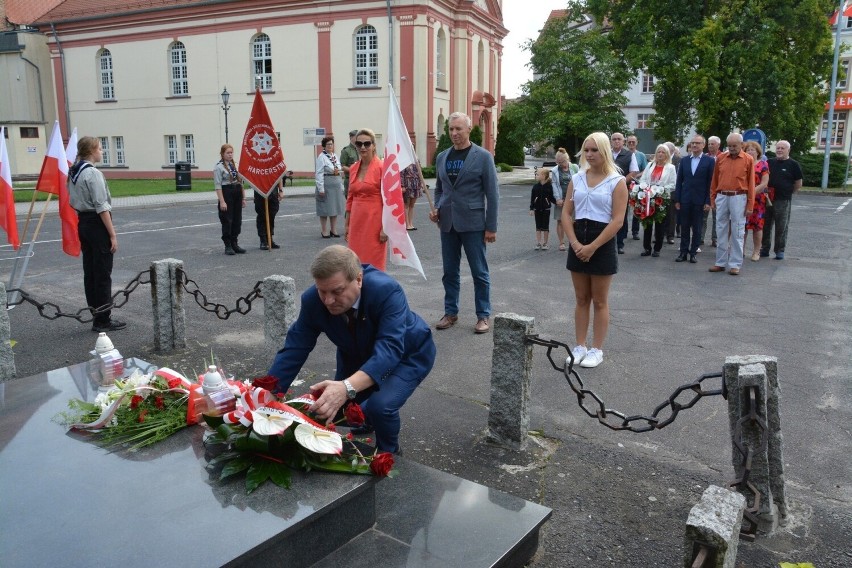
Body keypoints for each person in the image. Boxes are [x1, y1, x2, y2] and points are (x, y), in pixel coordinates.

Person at [267, 245, 436, 455]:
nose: (328, 301)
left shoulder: (386, 290)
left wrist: (346, 387)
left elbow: (390, 349)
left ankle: (389, 454)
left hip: (408, 354)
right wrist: (267, 394)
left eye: (337, 291)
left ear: (358, 279)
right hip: (357, 354)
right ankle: (366, 422)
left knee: (380, 407)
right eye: (322, 291)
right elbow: (295, 348)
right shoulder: (312, 300)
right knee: (332, 408)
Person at [561, 132, 628, 369]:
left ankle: (596, 349)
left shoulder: (616, 181)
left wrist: (592, 247)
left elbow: (617, 221)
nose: (589, 155)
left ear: (605, 151)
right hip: (579, 239)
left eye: (594, 150)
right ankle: (579, 346)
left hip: (602, 241)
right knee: (581, 298)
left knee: (599, 300)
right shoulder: (577, 178)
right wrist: (576, 243)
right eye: (586, 150)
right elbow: (566, 214)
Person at [430, 111, 499, 335]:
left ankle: (483, 315)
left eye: (459, 129)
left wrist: (491, 227)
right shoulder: (442, 157)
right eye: (451, 129)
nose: (454, 133)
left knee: (479, 272)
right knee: (449, 272)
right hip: (447, 223)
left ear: (469, 129)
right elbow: (440, 188)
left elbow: (493, 194)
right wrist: (438, 207)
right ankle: (450, 312)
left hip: (474, 223)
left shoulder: (483, 156)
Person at [68, 136, 126, 332]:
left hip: (83, 222)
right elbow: (102, 207)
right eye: (100, 148)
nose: (102, 151)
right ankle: (103, 319)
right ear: (92, 150)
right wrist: (112, 235)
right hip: (96, 223)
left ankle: (96, 313)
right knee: (102, 273)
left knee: (91, 273)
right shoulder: (92, 173)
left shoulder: (74, 171)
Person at [709, 133, 755, 276]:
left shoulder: (748, 159)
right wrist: (713, 199)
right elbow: (714, 180)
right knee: (720, 229)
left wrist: (750, 205)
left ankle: (735, 264)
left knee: (737, 230)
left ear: (742, 145)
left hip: (739, 197)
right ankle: (720, 262)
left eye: (734, 146)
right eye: (729, 146)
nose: (732, 148)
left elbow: (751, 184)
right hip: (722, 195)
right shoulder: (721, 158)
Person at [345, 128, 387, 270]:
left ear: (374, 145)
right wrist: (347, 224)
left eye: (367, 144)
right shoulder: (353, 168)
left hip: (374, 221)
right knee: (354, 261)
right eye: (359, 144)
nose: (363, 147)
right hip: (356, 221)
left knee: (374, 262)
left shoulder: (382, 167)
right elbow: (350, 198)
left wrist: (385, 228)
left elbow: (388, 201)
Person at [673, 135, 714, 263]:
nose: (694, 145)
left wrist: (708, 201)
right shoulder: (684, 160)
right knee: (684, 226)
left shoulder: (709, 161)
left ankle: (693, 252)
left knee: (697, 227)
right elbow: (679, 181)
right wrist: (677, 199)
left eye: (697, 143)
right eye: (693, 143)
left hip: (700, 200)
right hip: (685, 199)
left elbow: (710, 183)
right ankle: (683, 252)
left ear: (703, 145)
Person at [761, 140, 803, 260]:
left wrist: (789, 192)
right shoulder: (769, 162)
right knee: (766, 225)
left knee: (781, 226)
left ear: (788, 150)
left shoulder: (793, 164)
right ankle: (764, 249)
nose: (779, 150)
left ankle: (779, 250)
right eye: (778, 148)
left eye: (782, 148)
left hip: (783, 200)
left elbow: (798, 183)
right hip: (768, 198)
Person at [636, 144, 676, 257]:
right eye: (659, 152)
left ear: (667, 154)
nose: (660, 154)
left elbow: (673, 184)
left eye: (663, 152)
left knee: (660, 224)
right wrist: (645, 188)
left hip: (661, 198)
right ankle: (647, 248)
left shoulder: (670, 167)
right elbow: (643, 179)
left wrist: (660, 190)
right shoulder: (650, 165)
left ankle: (657, 248)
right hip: (648, 197)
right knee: (647, 224)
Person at [213, 143, 246, 255]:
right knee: (227, 219)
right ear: (222, 154)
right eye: (228, 153)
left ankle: (234, 243)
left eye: (231, 152)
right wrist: (222, 201)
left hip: (237, 191)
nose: (230, 155)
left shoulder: (235, 165)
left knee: (237, 219)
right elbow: (218, 186)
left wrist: (243, 198)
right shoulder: (219, 167)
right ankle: (228, 245)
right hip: (227, 192)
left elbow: (240, 182)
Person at [611, 132, 639, 254]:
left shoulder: (629, 155)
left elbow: (633, 172)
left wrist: (620, 183)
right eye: (614, 139)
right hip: (605, 189)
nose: (617, 141)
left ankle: (620, 243)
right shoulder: (605, 153)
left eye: (619, 139)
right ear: (611, 141)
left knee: (621, 215)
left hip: (622, 189)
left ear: (623, 142)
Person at [743, 141, 770, 262]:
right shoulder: (743, 163)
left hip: (758, 200)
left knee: (757, 227)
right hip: (743, 199)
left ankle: (756, 251)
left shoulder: (763, 164)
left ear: (758, 152)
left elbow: (764, 183)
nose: (750, 152)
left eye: (752, 150)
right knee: (742, 226)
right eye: (748, 150)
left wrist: (752, 193)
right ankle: (740, 250)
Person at [315, 136, 345, 238]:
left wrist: (341, 184)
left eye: (331, 144)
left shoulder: (335, 156)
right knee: (324, 209)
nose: (330, 146)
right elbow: (319, 173)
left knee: (334, 208)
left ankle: (333, 229)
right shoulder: (321, 157)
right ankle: (324, 230)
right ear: (324, 146)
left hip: (336, 183)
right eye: (328, 144)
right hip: (326, 183)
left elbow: (339, 168)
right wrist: (321, 188)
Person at [550, 147, 579, 251]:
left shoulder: (575, 168)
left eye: (561, 162)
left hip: (573, 198)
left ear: (566, 160)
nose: (559, 164)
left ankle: (574, 241)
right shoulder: (555, 170)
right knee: (560, 221)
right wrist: (558, 198)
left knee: (575, 220)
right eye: (558, 162)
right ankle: (561, 242)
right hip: (561, 199)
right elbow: (554, 185)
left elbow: (580, 181)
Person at [702, 135, 723, 247]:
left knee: (717, 216)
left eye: (712, 144)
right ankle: (700, 237)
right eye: (709, 144)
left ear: (718, 145)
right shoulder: (704, 157)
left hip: (719, 190)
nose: (710, 146)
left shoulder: (723, 156)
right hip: (706, 190)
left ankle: (715, 238)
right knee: (703, 216)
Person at [626, 135, 648, 241]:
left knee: (636, 208)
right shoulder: (624, 154)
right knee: (624, 208)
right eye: (629, 142)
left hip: (637, 184)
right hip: (625, 184)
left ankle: (635, 231)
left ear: (636, 143)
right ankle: (623, 231)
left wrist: (636, 175)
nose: (631, 144)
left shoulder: (641, 155)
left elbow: (645, 169)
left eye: (633, 142)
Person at [530, 166, 556, 250]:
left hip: (546, 209)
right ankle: (538, 243)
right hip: (537, 209)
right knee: (538, 227)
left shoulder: (549, 186)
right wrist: (531, 208)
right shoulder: (535, 187)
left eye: (538, 174)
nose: (536, 176)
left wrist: (557, 202)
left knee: (545, 227)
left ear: (544, 176)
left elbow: (551, 197)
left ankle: (545, 243)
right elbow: (532, 198)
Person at [254, 179, 284, 250]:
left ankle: (270, 238)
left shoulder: (273, 167)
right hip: (260, 191)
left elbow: (279, 175)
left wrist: (280, 190)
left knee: (272, 215)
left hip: (273, 191)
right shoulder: (257, 167)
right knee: (262, 216)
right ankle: (263, 240)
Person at [400, 160, 424, 230]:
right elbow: (401, 174)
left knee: (412, 205)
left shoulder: (416, 160)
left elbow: (420, 173)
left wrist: (421, 183)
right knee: (406, 205)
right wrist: (402, 185)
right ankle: (407, 224)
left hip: (416, 185)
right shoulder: (404, 160)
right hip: (407, 185)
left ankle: (411, 223)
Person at [339, 130, 359, 199]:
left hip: (360, 179)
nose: (358, 139)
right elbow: (343, 166)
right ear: (351, 138)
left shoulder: (361, 149)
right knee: (350, 200)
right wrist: (354, 170)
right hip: (350, 180)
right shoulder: (346, 150)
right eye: (356, 137)